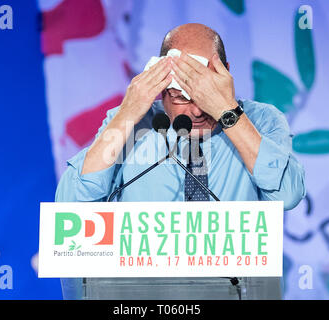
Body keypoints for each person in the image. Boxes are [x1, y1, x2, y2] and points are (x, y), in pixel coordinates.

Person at [56, 23, 306, 300]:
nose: (197, 110)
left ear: (226, 73)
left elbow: (288, 194)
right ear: (160, 86)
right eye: (181, 97)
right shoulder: (130, 122)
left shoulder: (261, 120)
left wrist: (227, 111)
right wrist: (128, 112)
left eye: (205, 93)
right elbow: (73, 204)